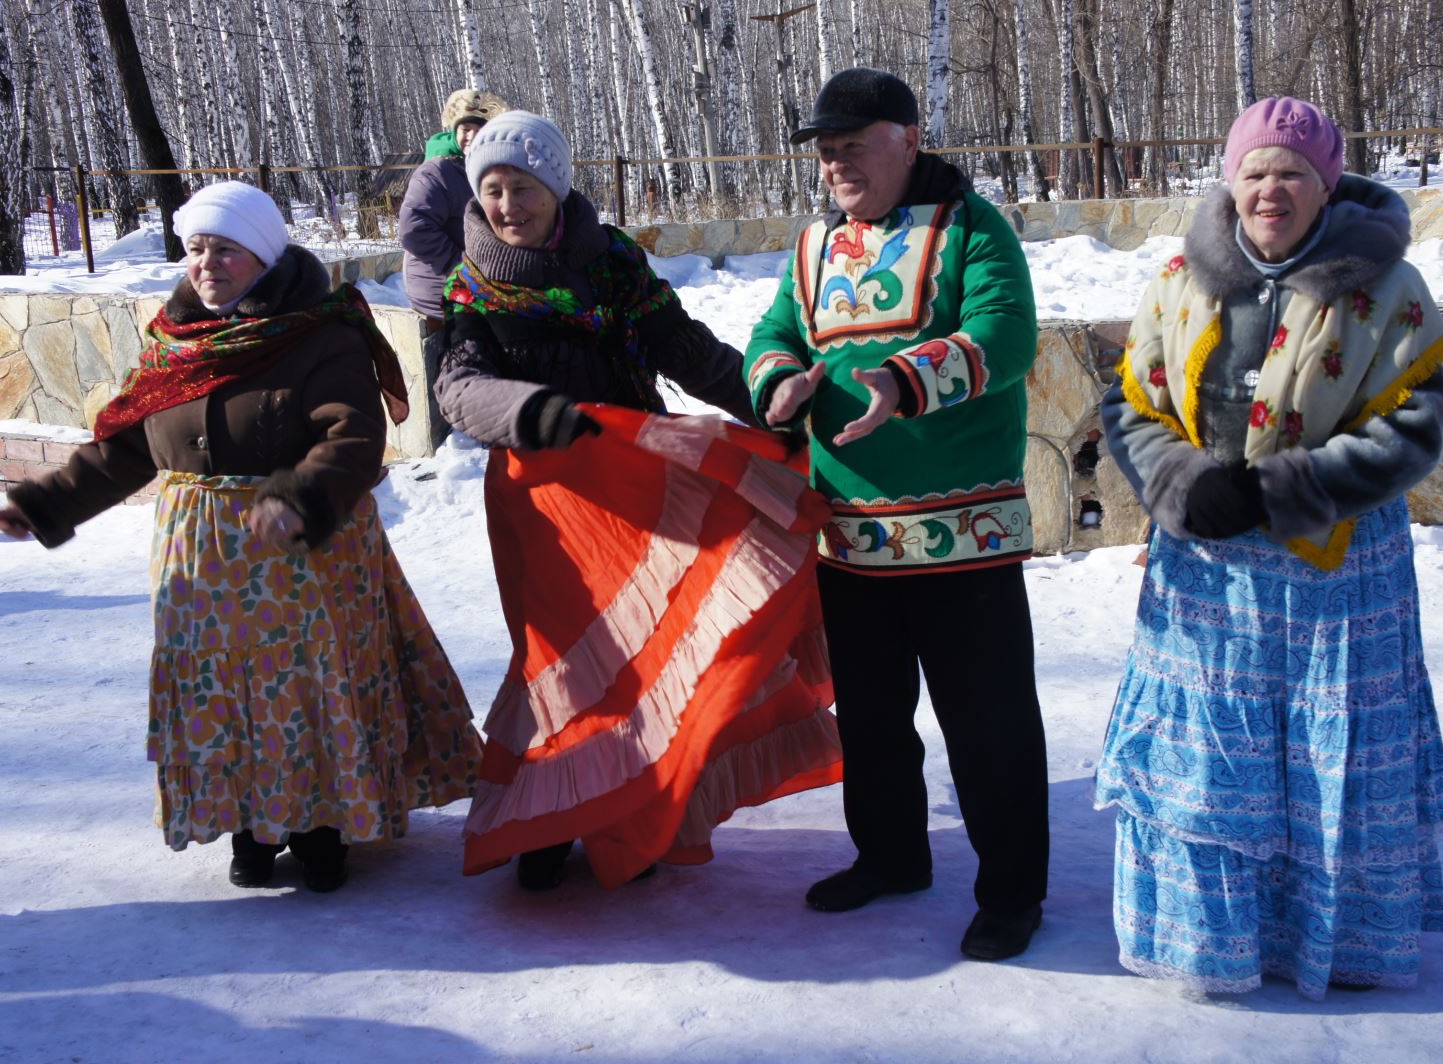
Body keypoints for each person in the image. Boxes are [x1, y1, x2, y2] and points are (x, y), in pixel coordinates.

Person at [0, 181, 484, 893]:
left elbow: (353, 434)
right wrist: (43, 505)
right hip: (202, 557)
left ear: (262, 254)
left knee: (306, 691)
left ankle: (322, 824)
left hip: (304, 548)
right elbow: (126, 447)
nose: (207, 263)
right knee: (219, 693)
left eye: (226, 249)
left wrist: (296, 499)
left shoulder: (319, 331)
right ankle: (251, 825)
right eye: (196, 248)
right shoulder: (177, 341)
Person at [1095, 96, 1443, 998]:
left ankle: (1340, 944)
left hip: (1337, 569)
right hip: (1209, 565)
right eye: (1254, 170)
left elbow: (1416, 425)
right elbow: (1131, 405)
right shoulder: (1181, 275)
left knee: (1328, 756)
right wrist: (1182, 483)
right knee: (1215, 757)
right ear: (1230, 178)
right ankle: (1215, 940)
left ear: (1327, 183)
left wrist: (1290, 488)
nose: (1270, 188)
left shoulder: (1387, 288)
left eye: (1292, 171)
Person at [434, 111, 844, 891]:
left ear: (556, 186)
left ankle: (632, 812)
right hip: (546, 501)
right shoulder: (471, 286)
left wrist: (767, 408)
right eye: (492, 189)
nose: (507, 203)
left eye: (522, 185)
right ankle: (552, 814)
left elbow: (683, 351)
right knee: (560, 662)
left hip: (635, 487)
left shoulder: (613, 262)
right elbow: (456, 387)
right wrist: (528, 411)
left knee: (641, 656)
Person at [743, 68, 1049, 961]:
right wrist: (778, 383)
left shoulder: (972, 229)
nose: (835, 162)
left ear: (907, 138)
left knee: (987, 721)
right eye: (826, 148)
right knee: (872, 718)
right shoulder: (813, 247)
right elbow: (773, 335)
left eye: (852, 142)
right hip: (850, 538)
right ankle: (890, 856)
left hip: (967, 535)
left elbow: (1007, 334)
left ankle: (1012, 891)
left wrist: (905, 380)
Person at [399, 87, 510, 444]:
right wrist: (459, 267)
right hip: (440, 283)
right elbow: (414, 229)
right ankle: (468, 420)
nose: (469, 133)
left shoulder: (477, 170)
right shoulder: (438, 172)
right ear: (453, 129)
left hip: (469, 280)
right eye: (463, 126)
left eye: (478, 125)